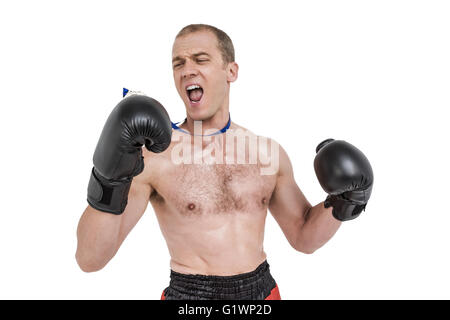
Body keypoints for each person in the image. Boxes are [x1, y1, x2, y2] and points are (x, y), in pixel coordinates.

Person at [75, 24, 373, 300]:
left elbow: (303, 237)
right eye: (178, 63)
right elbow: (90, 259)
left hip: (262, 294)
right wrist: (109, 176)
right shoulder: (153, 158)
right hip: (191, 296)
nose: (187, 70)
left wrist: (346, 201)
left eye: (200, 59)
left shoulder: (267, 153)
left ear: (231, 70)